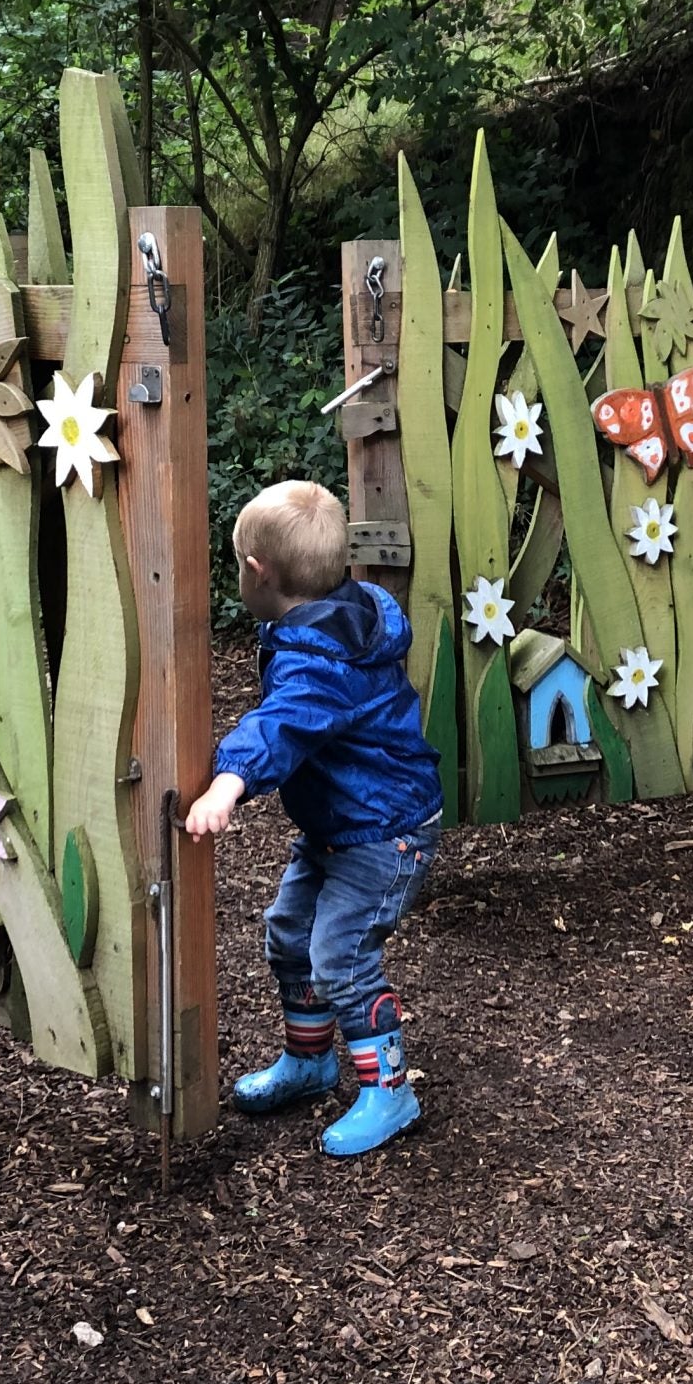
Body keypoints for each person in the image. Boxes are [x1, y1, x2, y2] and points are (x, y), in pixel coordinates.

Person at [184, 480, 444, 1157]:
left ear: (255, 571)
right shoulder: (333, 616)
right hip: (341, 824)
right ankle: (311, 1061)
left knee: (340, 955)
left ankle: (391, 1091)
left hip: (384, 834)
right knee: (289, 935)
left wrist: (228, 782)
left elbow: (284, 723)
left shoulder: (322, 662)